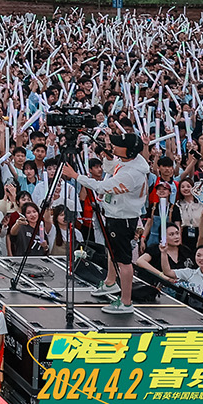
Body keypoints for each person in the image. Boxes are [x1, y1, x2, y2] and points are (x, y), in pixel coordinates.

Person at [61, 132, 147, 315]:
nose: (113, 147)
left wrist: (75, 176)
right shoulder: (131, 162)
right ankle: (110, 282)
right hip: (115, 214)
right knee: (111, 250)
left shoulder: (131, 174)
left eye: (117, 145)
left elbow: (102, 186)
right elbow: (112, 168)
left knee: (123, 261)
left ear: (128, 151)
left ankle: (126, 302)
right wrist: (108, 157)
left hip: (123, 219)